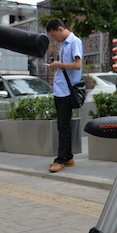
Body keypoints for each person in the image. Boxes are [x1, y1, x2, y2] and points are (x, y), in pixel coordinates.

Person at [45, 18, 83, 173]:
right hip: (61, 89)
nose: (54, 39)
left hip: (67, 91)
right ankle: (67, 157)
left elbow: (77, 65)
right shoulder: (64, 44)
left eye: (54, 35)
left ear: (60, 29)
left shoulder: (74, 42)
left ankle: (60, 160)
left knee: (64, 126)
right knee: (63, 125)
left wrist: (58, 65)